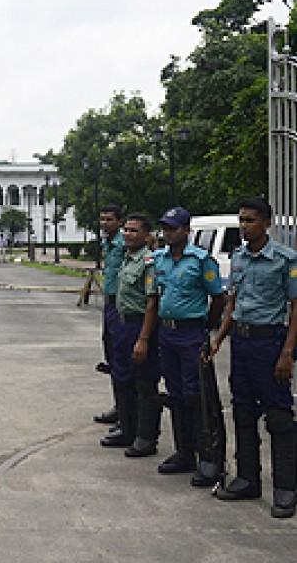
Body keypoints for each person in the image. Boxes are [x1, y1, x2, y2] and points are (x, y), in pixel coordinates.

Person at [207, 197, 297, 517]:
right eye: (242, 220)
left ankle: (286, 487)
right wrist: (218, 340)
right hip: (241, 344)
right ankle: (247, 478)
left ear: (267, 224)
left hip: (268, 344)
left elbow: (295, 308)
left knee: (279, 417)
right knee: (243, 413)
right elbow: (233, 301)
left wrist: (287, 353)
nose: (244, 225)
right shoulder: (240, 257)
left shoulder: (286, 260)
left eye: (251, 220)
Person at [145, 206, 225, 486]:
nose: (167, 233)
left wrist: (206, 328)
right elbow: (156, 296)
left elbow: (218, 298)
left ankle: (209, 458)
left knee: (199, 396)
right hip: (167, 335)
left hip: (191, 333)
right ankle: (184, 452)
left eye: (173, 228)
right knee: (176, 395)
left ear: (186, 231)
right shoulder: (160, 260)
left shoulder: (202, 260)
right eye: (165, 228)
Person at [109, 213, 163, 456]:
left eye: (133, 231)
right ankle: (127, 430)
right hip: (122, 324)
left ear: (146, 235)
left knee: (144, 382)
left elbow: (152, 303)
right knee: (123, 379)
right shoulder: (127, 259)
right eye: (126, 230)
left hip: (140, 325)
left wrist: (143, 339)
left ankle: (146, 437)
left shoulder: (148, 261)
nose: (128, 234)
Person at [94, 205, 126, 429]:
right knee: (112, 358)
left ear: (120, 222)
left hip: (122, 305)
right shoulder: (108, 243)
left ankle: (128, 414)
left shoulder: (125, 244)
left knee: (122, 359)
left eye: (109, 219)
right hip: (109, 306)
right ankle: (120, 406)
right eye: (102, 219)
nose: (105, 223)